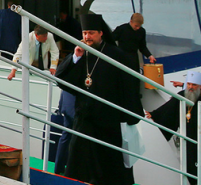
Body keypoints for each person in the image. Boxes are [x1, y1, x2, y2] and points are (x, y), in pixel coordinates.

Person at [55, 14, 139, 185]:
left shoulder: (116, 55)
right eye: (84, 33)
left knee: (108, 169)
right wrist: (75, 56)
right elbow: (61, 78)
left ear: (101, 33)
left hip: (108, 121)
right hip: (84, 120)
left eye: (91, 33)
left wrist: (130, 115)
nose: (87, 37)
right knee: (78, 166)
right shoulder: (81, 53)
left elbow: (129, 85)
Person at [146, 71, 201, 185]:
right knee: (189, 164)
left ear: (200, 86)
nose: (190, 87)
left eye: (194, 85)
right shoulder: (182, 95)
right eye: (189, 84)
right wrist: (154, 114)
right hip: (188, 136)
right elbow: (168, 108)